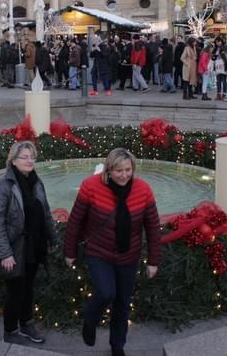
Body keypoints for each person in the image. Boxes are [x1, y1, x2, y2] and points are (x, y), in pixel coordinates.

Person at [63, 148, 162, 356]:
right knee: (106, 292)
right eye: (119, 171)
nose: (124, 175)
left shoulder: (143, 190)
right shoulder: (90, 186)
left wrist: (153, 260)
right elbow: (75, 221)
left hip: (129, 255)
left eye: (128, 170)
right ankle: (90, 320)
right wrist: (69, 251)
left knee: (122, 303)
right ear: (109, 170)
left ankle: (118, 346)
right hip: (99, 252)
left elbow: (153, 227)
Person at [0, 141, 58, 345]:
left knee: (28, 288)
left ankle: (27, 325)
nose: (29, 161)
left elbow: (45, 213)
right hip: (15, 247)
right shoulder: (3, 184)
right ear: (13, 160)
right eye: (24, 157)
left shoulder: (37, 182)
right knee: (16, 290)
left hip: (34, 245)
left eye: (32, 157)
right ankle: (10, 330)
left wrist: (53, 238)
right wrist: (5, 253)